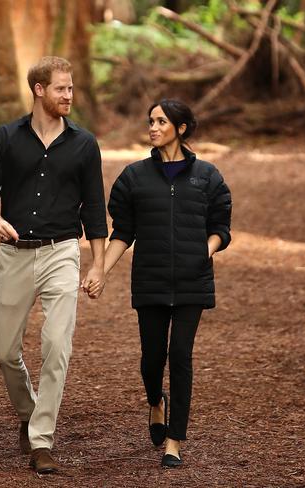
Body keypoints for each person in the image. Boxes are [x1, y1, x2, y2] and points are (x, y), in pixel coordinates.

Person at [0, 56, 107, 474]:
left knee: (56, 345)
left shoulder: (84, 144)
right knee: (4, 351)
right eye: (62, 88)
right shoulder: (6, 137)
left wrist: (98, 264)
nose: (69, 95)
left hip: (61, 252)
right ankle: (29, 411)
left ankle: (41, 440)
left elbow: (96, 210)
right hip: (14, 254)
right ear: (39, 90)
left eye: (71, 88)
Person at [86, 99, 232, 468]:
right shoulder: (134, 177)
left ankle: (174, 441)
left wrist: (206, 250)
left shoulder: (208, 176)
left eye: (161, 121)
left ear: (181, 128)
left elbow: (221, 228)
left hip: (191, 281)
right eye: (150, 120)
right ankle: (155, 401)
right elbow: (124, 232)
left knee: (181, 356)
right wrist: (100, 269)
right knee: (153, 359)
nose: (152, 127)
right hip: (150, 280)